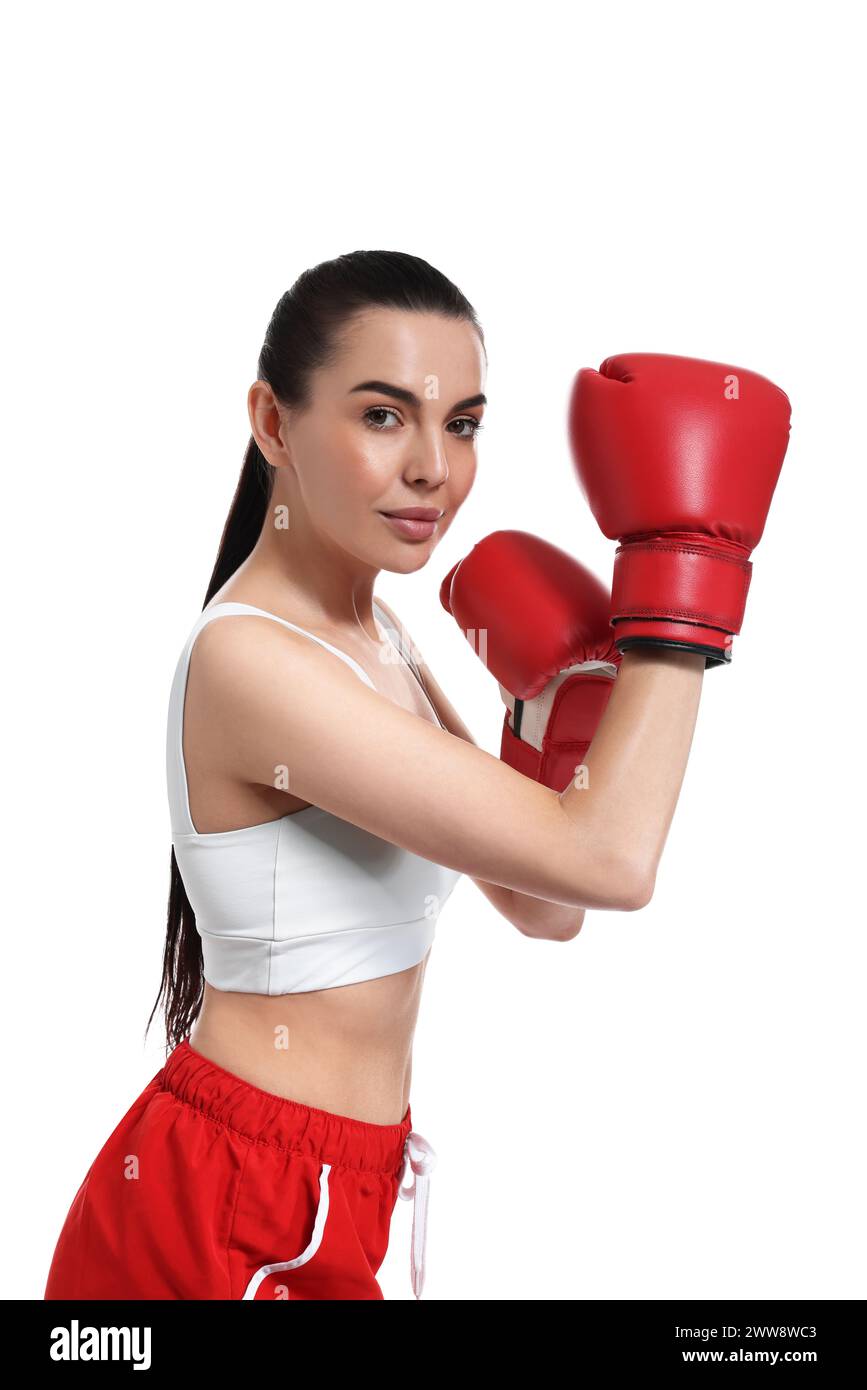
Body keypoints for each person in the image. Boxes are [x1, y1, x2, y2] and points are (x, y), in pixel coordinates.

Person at [43, 250, 789, 1301]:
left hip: (338, 1185)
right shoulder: (250, 662)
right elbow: (612, 859)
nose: (435, 466)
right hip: (227, 1203)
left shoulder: (380, 636)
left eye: (465, 423)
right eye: (385, 416)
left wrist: (547, 720)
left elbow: (548, 903)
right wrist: (684, 569)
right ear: (273, 424)